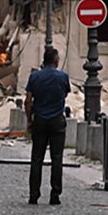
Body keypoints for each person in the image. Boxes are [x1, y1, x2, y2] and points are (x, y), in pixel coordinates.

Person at [24, 47, 70, 205]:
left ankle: (33, 194)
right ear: (56, 61)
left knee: (37, 158)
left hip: (40, 120)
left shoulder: (34, 76)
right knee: (57, 158)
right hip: (57, 119)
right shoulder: (63, 76)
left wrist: (29, 120)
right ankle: (55, 194)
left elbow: (28, 101)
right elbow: (64, 94)